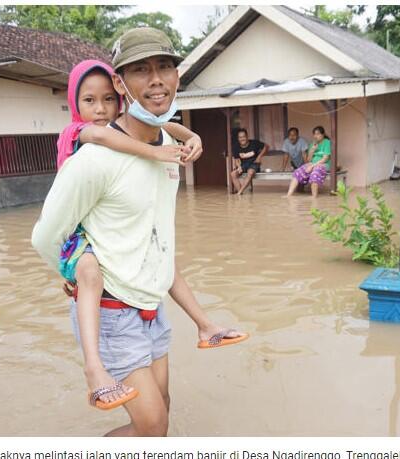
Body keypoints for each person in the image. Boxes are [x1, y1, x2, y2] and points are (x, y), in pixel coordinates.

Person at [32, 27, 248, 437]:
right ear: (120, 82)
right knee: (152, 426)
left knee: (161, 413)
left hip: (152, 307)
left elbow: (157, 242)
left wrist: (205, 321)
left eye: (164, 67)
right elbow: (45, 237)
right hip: (111, 313)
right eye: (140, 70)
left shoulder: (172, 146)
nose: (155, 80)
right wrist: (76, 274)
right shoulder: (92, 160)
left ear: (178, 77)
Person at [53, 59, 205, 411]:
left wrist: (192, 135)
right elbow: (107, 134)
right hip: (79, 233)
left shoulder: (136, 137)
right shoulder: (81, 135)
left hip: (132, 278)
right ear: (75, 103)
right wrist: (155, 152)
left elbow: (169, 126)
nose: (101, 110)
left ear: (118, 97)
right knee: (88, 276)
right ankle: (94, 368)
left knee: (161, 408)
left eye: (107, 100)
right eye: (89, 101)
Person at [285, 126, 332, 198]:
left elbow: (325, 159)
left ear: (323, 134)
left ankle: (314, 196)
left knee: (315, 173)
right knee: (297, 172)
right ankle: (289, 194)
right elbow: (309, 160)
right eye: (314, 134)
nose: (316, 136)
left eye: (318, 134)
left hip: (324, 164)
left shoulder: (327, 142)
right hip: (312, 163)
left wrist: (312, 166)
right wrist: (312, 150)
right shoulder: (313, 144)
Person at [229, 128, 268, 195]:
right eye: (240, 137)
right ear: (238, 139)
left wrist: (259, 157)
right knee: (233, 174)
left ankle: (240, 192)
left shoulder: (254, 143)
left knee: (250, 172)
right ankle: (240, 192)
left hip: (254, 164)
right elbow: (237, 159)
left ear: (247, 137)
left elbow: (266, 146)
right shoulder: (236, 147)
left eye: (243, 136)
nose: (242, 139)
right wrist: (239, 167)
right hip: (243, 165)